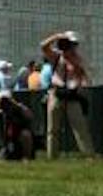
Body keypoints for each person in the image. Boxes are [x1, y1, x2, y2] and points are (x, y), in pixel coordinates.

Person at [41, 30, 95, 160]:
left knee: (79, 126)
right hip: (56, 93)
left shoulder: (78, 60)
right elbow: (43, 46)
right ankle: (52, 156)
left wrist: (82, 84)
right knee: (52, 128)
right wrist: (56, 37)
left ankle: (88, 155)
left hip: (72, 95)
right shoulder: (56, 56)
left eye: (71, 44)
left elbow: (85, 77)